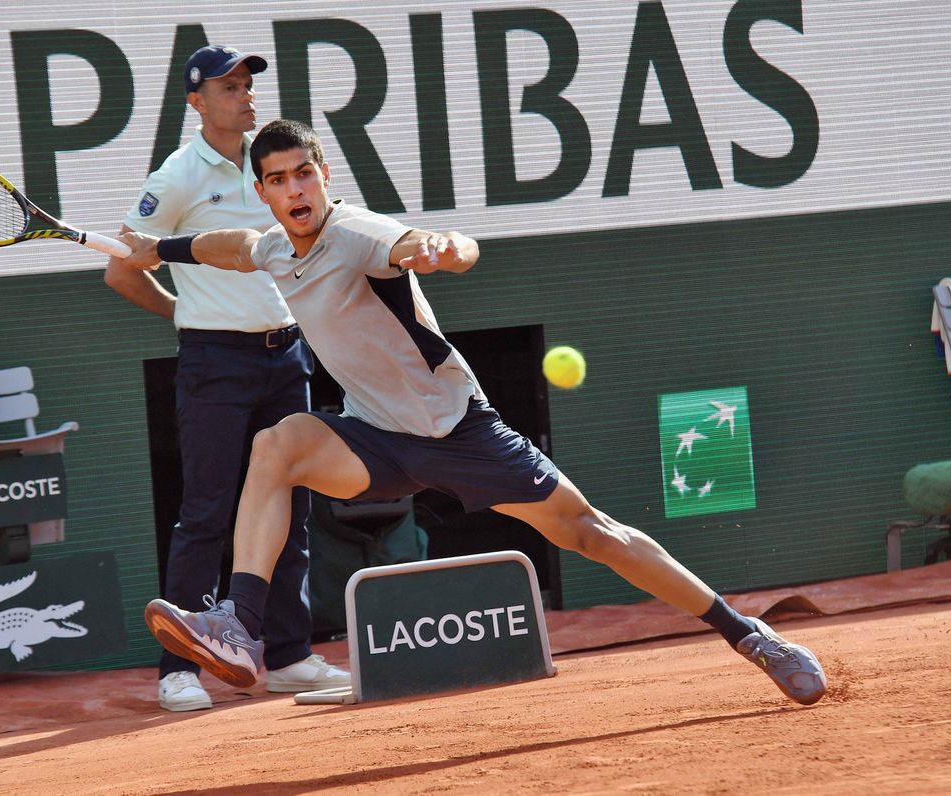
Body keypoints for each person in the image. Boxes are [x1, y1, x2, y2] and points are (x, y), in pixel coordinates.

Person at [121, 119, 828, 706]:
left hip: (460, 433)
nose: (292, 189)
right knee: (280, 443)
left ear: (324, 174)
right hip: (378, 441)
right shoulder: (273, 246)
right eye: (276, 180)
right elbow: (233, 247)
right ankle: (243, 624)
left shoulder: (361, 233)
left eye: (303, 173)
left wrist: (442, 249)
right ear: (262, 191)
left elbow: (441, 246)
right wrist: (164, 248)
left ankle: (751, 635)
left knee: (593, 533)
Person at [104, 51, 349, 712]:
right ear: (197, 102)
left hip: (286, 356)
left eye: (248, 86)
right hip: (215, 363)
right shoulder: (177, 177)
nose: (245, 97)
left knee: (291, 509)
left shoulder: (271, 166)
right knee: (207, 512)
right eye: (230, 88)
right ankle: (179, 669)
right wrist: (183, 312)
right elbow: (123, 271)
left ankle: (291, 658)